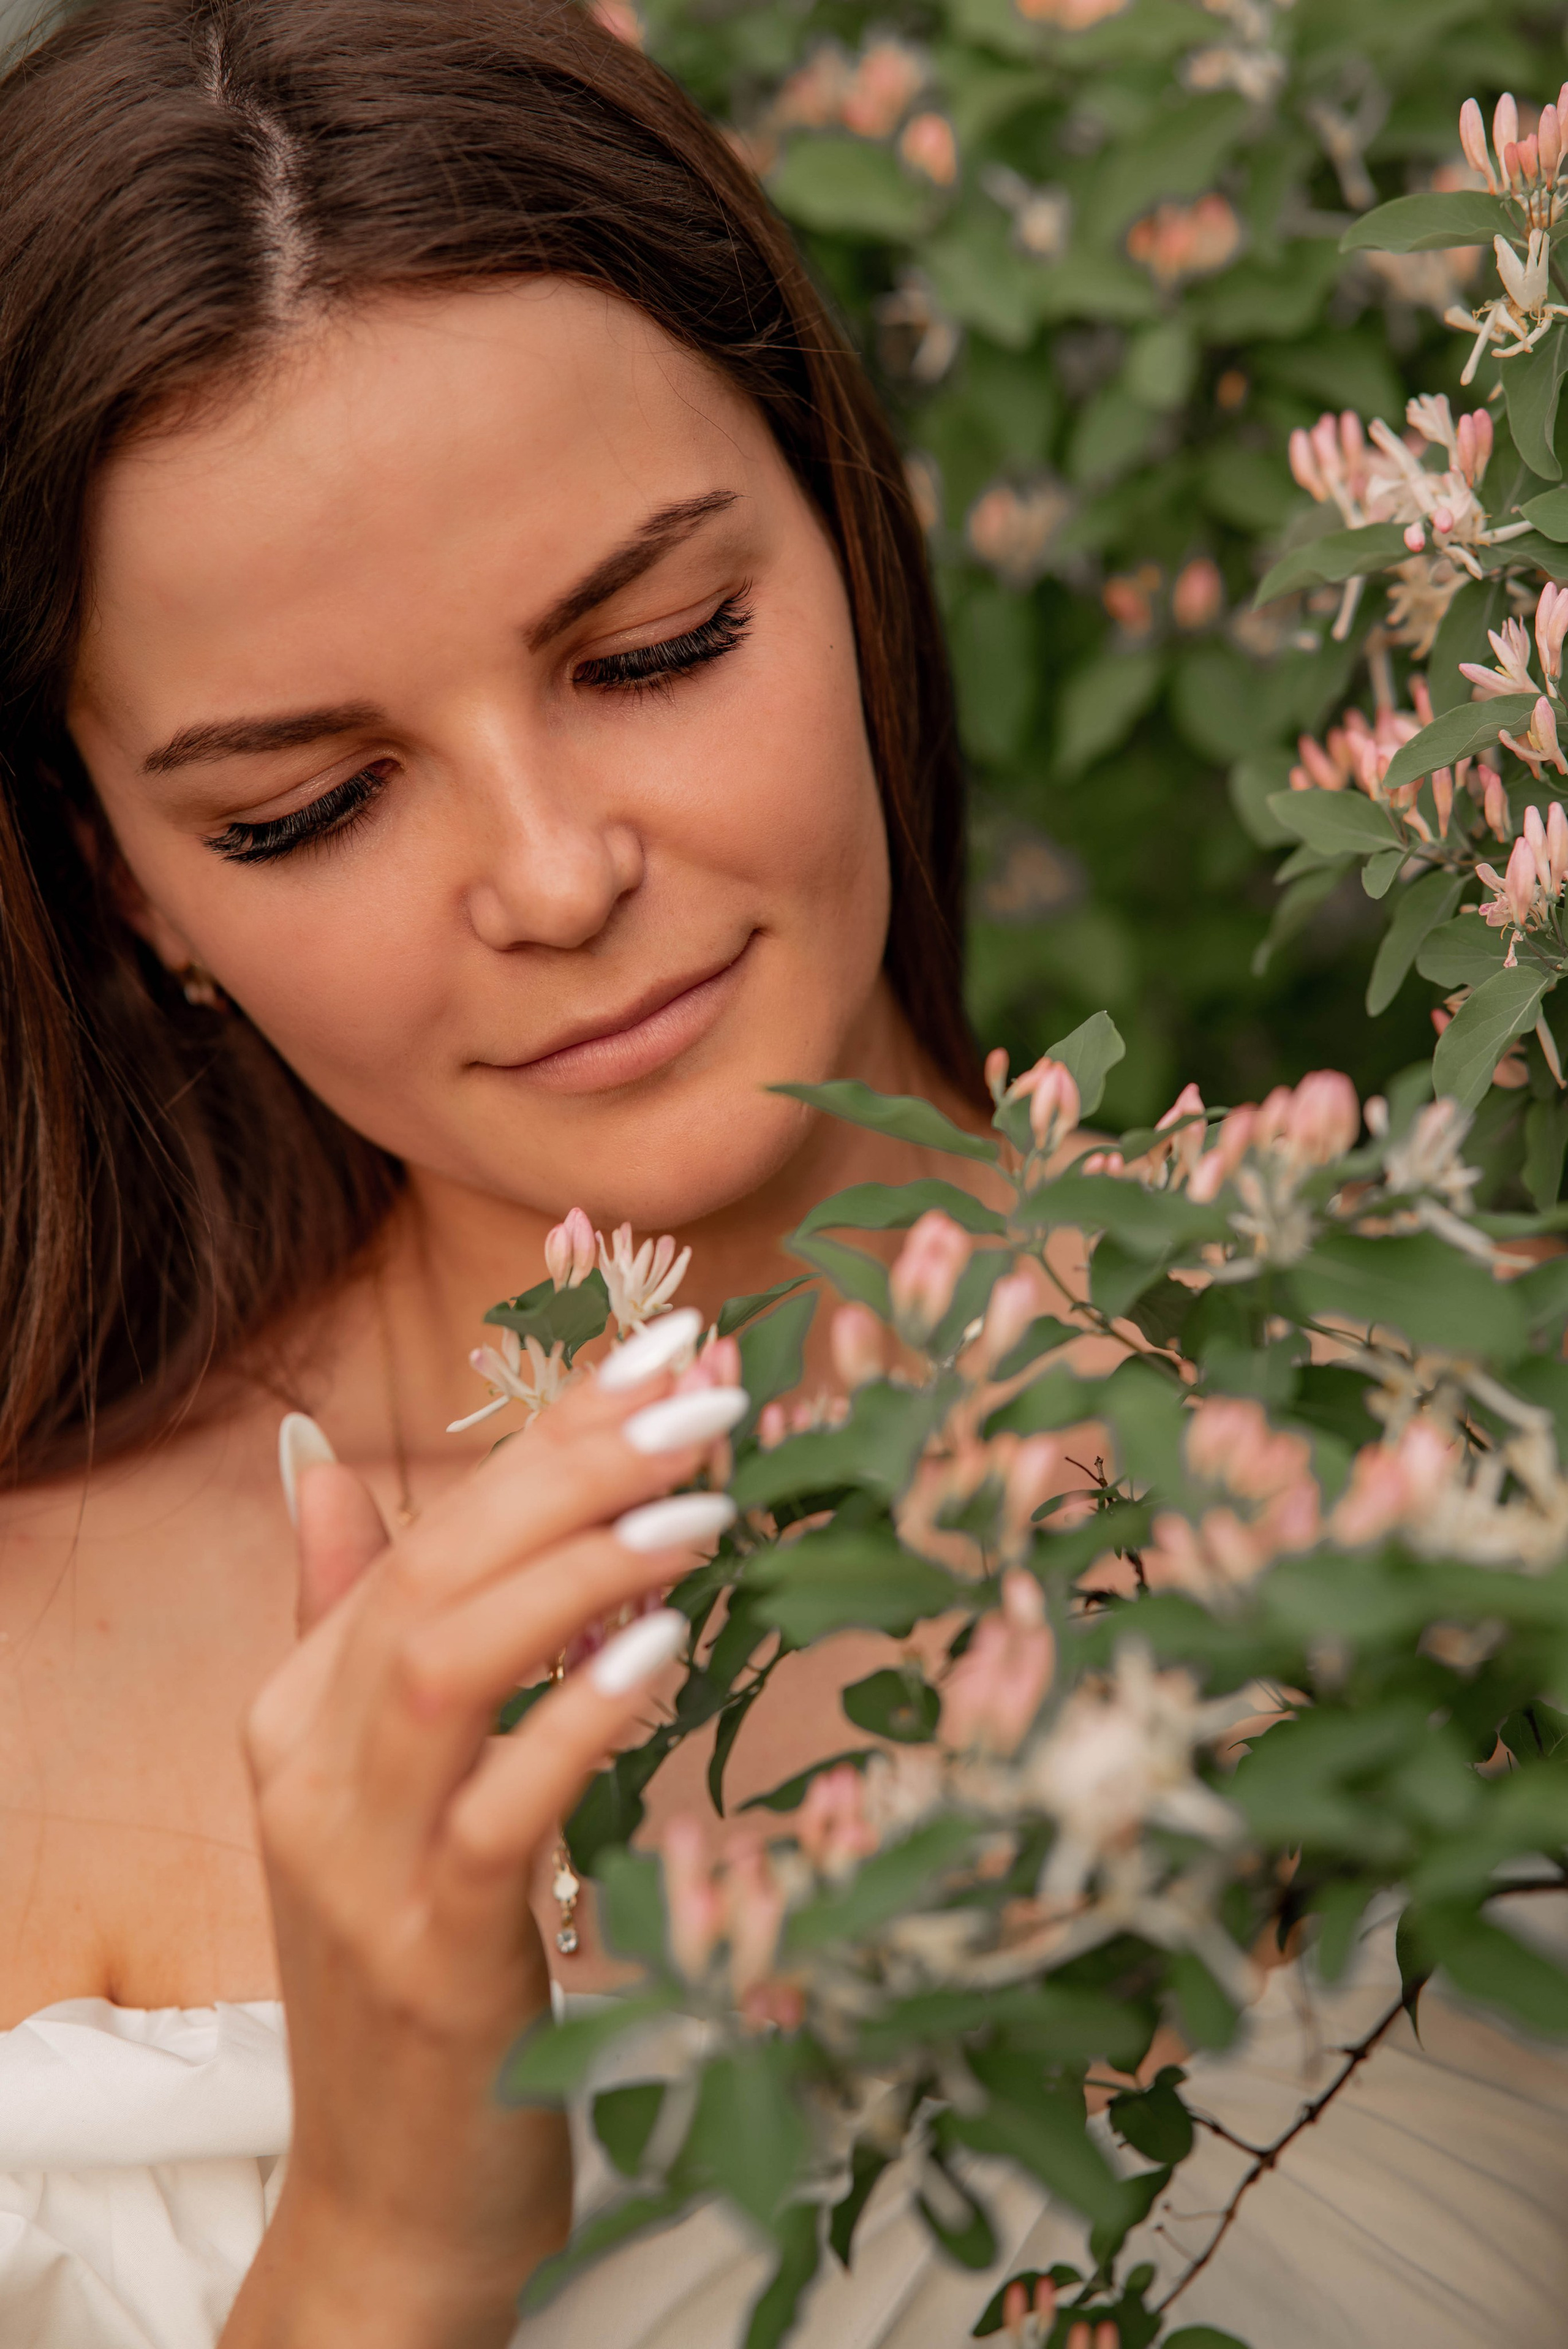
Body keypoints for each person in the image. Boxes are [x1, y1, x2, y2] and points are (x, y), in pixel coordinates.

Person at [1, 5, 1567, 2347]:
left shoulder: (1451, 1401)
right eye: (306, 806)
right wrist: (391, 2240)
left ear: (855, 527)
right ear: (132, 889)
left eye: (658, 647)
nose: (552, 875)